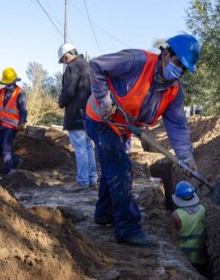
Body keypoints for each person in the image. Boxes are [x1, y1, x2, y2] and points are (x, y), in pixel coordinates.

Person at [84, 33, 201, 247]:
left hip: (122, 129)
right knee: (121, 169)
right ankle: (127, 228)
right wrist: (104, 99)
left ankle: (103, 214)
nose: (179, 72)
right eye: (178, 64)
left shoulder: (174, 91)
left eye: (184, 70)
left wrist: (185, 156)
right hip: (99, 120)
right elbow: (96, 65)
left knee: (112, 168)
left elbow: (177, 125)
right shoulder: (136, 61)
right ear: (165, 54)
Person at [57, 43, 98, 189]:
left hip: (76, 114)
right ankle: (92, 179)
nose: (64, 63)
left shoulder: (72, 68)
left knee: (81, 149)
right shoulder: (89, 66)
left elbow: (68, 91)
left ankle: (82, 182)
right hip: (90, 114)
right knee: (88, 147)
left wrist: (61, 103)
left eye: (63, 60)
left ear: (66, 56)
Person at [0, 67, 28, 176]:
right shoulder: (1, 91)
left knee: (7, 148)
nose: (6, 84)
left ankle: (9, 173)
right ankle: (16, 161)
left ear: (14, 80)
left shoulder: (20, 93)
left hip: (11, 126)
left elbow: (23, 110)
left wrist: (22, 122)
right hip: (0, 124)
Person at [171, 181, 207, 273]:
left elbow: (171, 236)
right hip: (200, 257)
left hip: (183, 259)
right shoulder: (203, 210)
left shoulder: (176, 215)